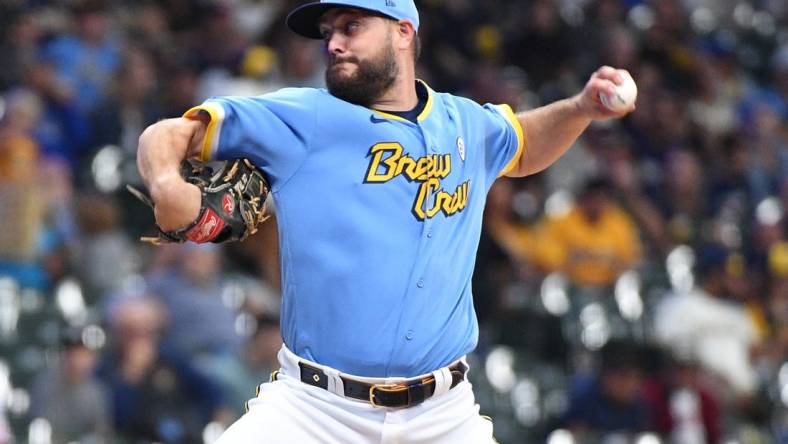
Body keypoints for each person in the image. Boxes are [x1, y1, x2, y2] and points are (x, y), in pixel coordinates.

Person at [135, 0, 635, 442]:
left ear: (403, 31)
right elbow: (167, 134)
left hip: (445, 415)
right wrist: (166, 185)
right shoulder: (306, 118)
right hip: (314, 411)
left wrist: (579, 108)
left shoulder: (464, 123)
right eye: (329, 31)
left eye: (351, 26)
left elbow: (522, 146)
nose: (333, 43)